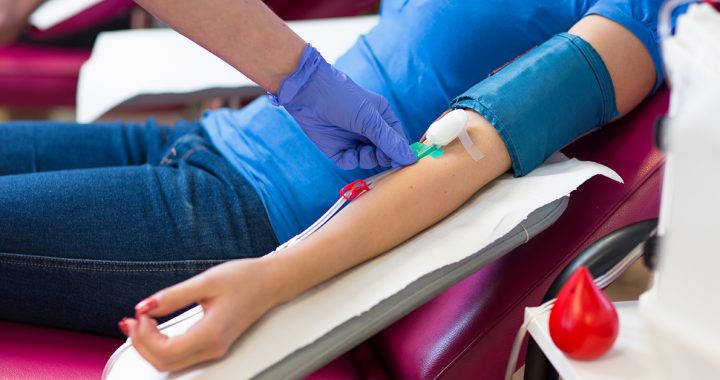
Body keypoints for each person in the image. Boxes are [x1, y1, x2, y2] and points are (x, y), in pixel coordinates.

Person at [0, 0, 662, 372]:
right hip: (215, 138)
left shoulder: (644, 15)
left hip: (246, 214)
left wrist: (270, 277)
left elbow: (469, 149)